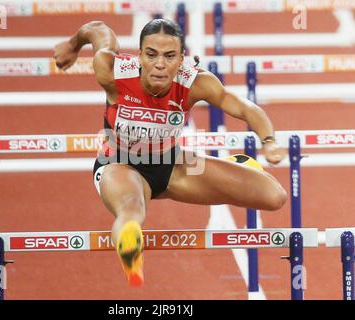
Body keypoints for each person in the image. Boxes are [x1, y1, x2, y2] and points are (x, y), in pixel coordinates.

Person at [53, 19, 287, 287]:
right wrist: (72, 45)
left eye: (169, 56)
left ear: (181, 60)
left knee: (274, 196)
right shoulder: (111, 69)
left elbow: (245, 108)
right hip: (119, 164)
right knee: (131, 208)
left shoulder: (196, 83)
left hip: (172, 164)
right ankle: (130, 250)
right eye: (151, 54)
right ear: (139, 55)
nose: (160, 64)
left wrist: (269, 140)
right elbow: (98, 29)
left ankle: (237, 164)